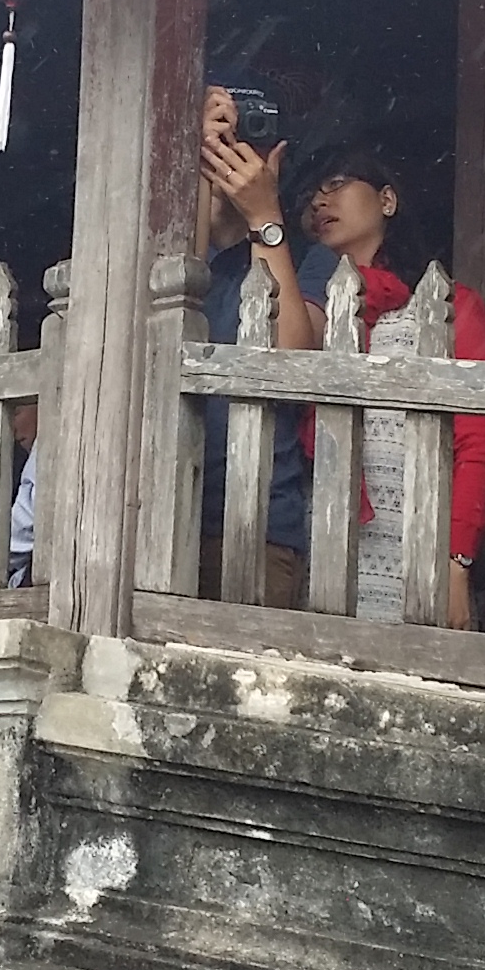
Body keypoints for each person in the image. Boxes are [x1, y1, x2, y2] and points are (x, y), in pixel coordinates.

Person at [293, 144, 485, 625]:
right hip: (318, 544)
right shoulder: (306, 318)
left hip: (418, 547)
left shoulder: (448, 309)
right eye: (311, 196)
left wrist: (456, 563)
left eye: (337, 184)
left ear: (387, 200)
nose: (321, 201)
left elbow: (477, 443)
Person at [197, 81, 339, 608]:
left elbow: (291, 359)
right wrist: (193, 174)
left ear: (275, 155)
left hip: (257, 523)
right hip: (152, 508)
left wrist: (263, 216)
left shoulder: (311, 259)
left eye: (246, 142)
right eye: (222, 144)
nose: (233, 157)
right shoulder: (174, 243)